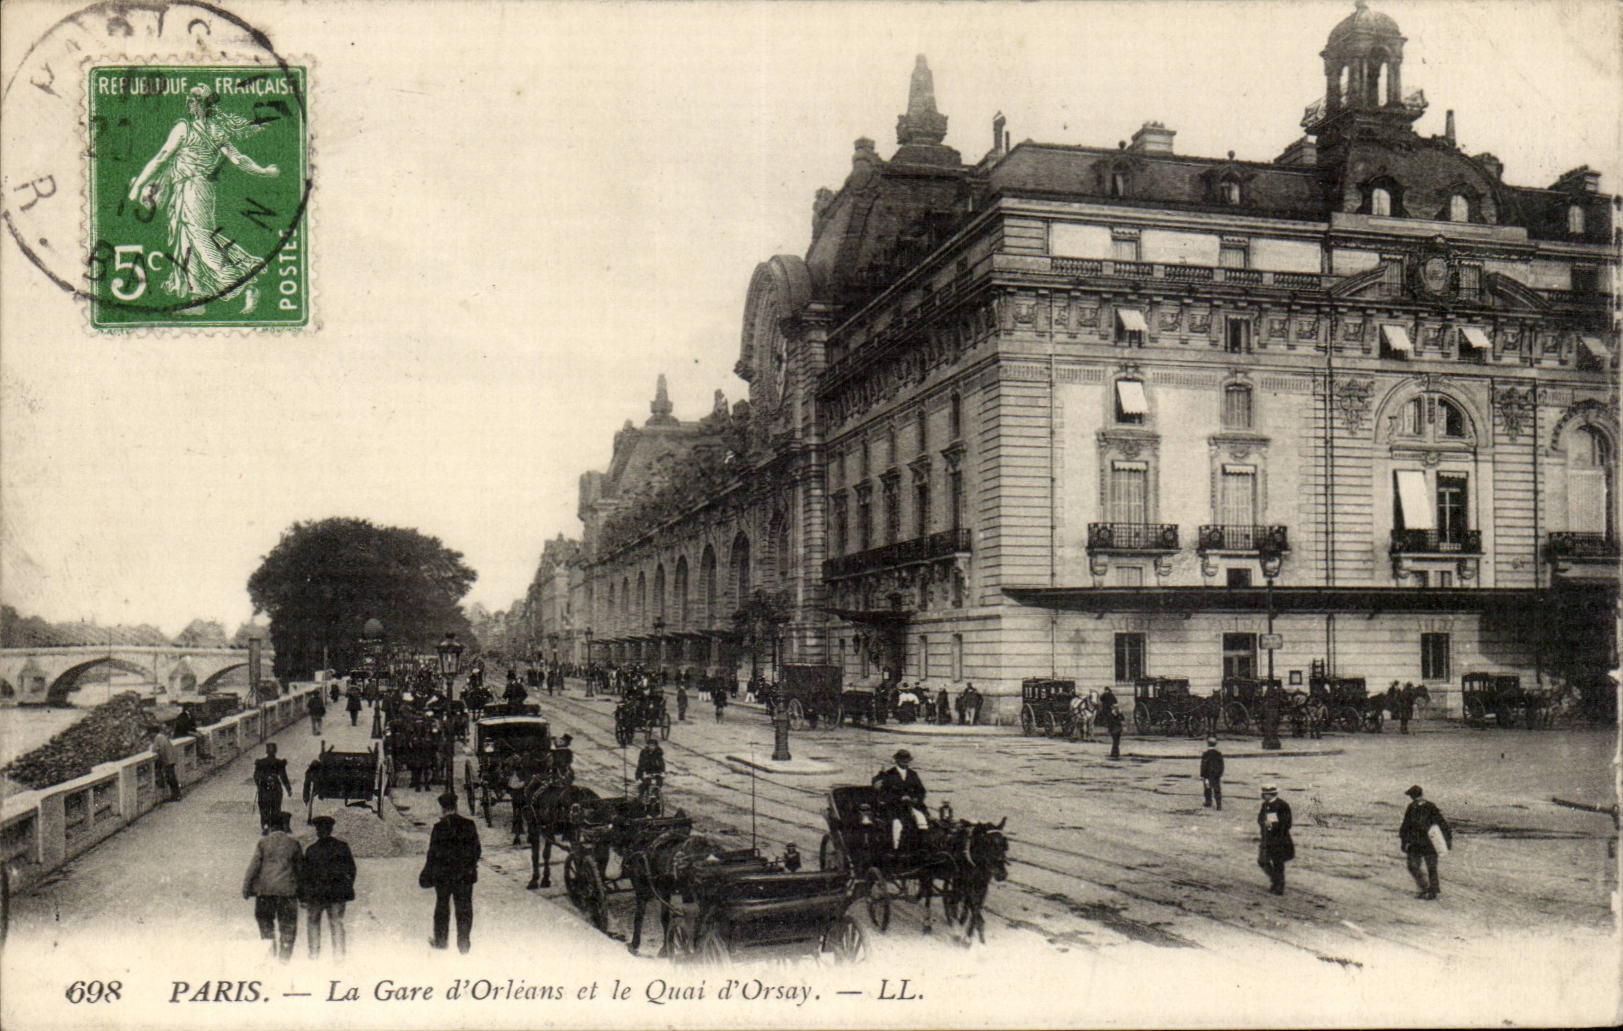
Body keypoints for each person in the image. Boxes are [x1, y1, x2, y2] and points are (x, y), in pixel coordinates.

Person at [126, 83, 281, 312]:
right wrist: (264, 171)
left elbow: (161, 158)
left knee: (200, 241)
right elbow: (239, 160)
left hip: (192, 189)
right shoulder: (216, 131)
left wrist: (138, 185)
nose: (188, 103)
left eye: (192, 100)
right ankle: (196, 298)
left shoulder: (184, 128)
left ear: (199, 105)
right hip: (195, 190)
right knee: (186, 241)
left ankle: (243, 283)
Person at [420, 792, 480, 953]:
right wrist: (468, 866)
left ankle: (440, 941)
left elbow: (432, 853)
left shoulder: (439, 828)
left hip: (444, 876)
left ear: (442, 808)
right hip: (465, 876)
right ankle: (464, 943)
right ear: (456, 806)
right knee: (464, 908)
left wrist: (428, 871)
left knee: (442, 907)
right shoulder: (469, 824)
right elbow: (476, 850)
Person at [242, 811, 302, 962]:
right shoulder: (293, 844)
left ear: (270, 827)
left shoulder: (263, 843)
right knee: (288, 925)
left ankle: (269, 954)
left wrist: (246, 887)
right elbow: (301, 870)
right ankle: (284, 958)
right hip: (287, 893)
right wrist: (303, 891)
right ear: (285, 826)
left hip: (265, 892)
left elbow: (253, 867)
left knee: (265, 923)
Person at [299, 815, 356, 959]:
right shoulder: (342, 847)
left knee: (313, 923)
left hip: (316, 894)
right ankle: (339, 956)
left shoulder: (311, 850)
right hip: (337, 894)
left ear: (317, 831)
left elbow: (305, 875)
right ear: (331, 829)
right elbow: (351, 869)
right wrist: (346, 886)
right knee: (336, 923)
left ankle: (314, 954)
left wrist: (304, 896)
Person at [1399, 785, 1452, 900]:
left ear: (1413, 795)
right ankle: (1431, 889)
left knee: (1413, 866)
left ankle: (1426, 888)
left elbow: (1405, 826)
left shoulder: (1412, 807)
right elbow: (1442, 823)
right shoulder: (1430, 806)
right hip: (1429, 842)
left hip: (1416, 842)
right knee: (1431, 867)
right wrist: (1447, 840)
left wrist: (1404, 841)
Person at [873, 749, 929, 850]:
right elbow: (884, 794)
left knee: (923, 821)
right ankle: (896, 849)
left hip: (912, 806)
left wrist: (914, 799)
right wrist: (899, 798)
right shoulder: (889, 774)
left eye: (907, 760)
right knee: (897, 825)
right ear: (897, 760)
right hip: (894, 807)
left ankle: (921, 847)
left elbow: (921, 791)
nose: (905, 762)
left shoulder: (913, 774)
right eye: (903, 759)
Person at [1256, 783, 1294, 895]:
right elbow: (1260, 818)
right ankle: (1275, 880)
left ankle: (1279, 886)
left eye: (1266, 794)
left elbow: (1287, 824)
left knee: (1278, 863)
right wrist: (1264, 823)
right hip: (1267, 839)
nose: (1264, 796)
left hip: (1279, 840)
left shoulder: (1282, 805)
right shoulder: (1265, 805)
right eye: (1264, 794)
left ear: (1272, 794)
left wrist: (1273, 825)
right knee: (1262, 861)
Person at [253, 743, 293, 831]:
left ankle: (265, 826)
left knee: (264, 808)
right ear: (275, 751)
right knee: (276, 807)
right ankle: (274, 825)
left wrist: (259, 785)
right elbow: (284, 777)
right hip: (276, 789)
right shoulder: (279, 763)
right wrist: (288, 789)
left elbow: (256, 776)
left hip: (264, 789)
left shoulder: (261, 762)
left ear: (266, 751)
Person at [151, 725, 182, 802]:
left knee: (171, 778)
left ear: (153, 733)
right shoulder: (162, 737)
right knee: (172, 778)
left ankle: (176, 795)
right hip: (171, 759)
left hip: (167, 760)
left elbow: (155, 749)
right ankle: (176, 794)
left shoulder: (158, 738)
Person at [635, 735, 666, 811]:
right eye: (650, 745)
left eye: (653, 746)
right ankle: (641, 800)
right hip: (647, 773)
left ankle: (657, 799)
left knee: (658, 785)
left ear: (656, 746)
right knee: (644, 785)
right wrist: (640, 775)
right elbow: (640, 764)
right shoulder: (644, 754)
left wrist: (662, 772)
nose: (652, 747)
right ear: (648, 746)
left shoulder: (658, 754)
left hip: (656, 773)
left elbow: (662, 764)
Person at [1199, 736, 1224, 810]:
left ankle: (1208, 802)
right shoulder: (1218, 753)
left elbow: (1203, 765)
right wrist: (1220, 773)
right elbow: (1221, 764)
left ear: (1208, 744)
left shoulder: (1206, 754)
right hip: (1216, 774)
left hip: (1208, 774)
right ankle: (1219, 805)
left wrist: (1202, 774)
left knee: (1207, 788)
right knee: (1217, 789)